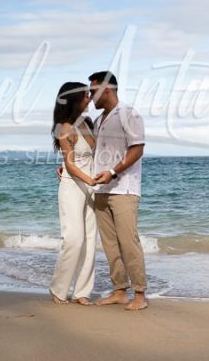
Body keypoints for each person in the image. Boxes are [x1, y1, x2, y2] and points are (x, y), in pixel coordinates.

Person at [89, 71, 148, 311]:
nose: (90, 95)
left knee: (128, 242)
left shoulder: (128, 113)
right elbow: (94, 152)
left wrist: (112, 172)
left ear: (107, 89)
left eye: (93, 91)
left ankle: (140, 295)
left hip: (124, 189)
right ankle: (119, 291)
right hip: (101, 190)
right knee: (110, 244)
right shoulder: (98, 120)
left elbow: (137, 149)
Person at [49, 81, 97, 305]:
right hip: (73, 185)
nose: (89, 98)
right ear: (75, 100)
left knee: (89, 240)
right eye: (86, 95)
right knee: (74, 239)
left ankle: (81, 293)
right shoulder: (63, 128)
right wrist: (90, 180)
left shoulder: (88, 123)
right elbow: (70, 164)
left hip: (93, 186)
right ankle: (59, 289)